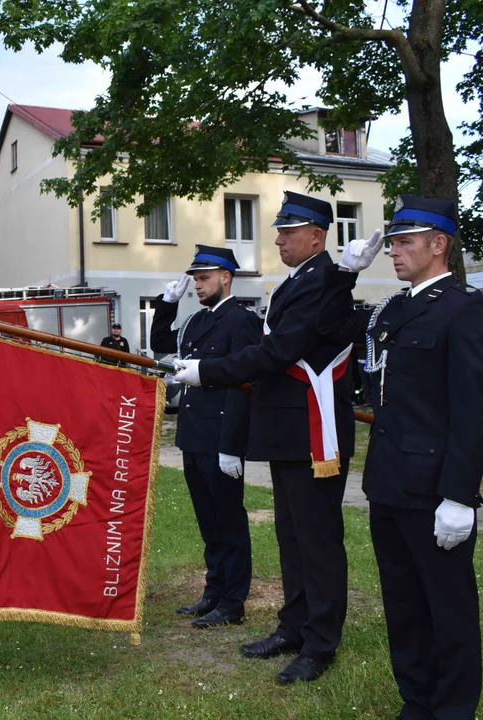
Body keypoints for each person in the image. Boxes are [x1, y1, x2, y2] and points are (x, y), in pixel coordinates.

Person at [173, 192, 369, 684]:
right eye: (279, 230)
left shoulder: (324, 279)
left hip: (312, 427)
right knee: (292, 536)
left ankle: (321, 642)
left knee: (317, 540)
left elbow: (278, 351)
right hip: (288, 428)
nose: (278, 238)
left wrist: (206, 371)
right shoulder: (299, 281)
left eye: (288, 231)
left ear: (317, 237)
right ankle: (295, 626)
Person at [320, 195, 483, 719]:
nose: (393, 252)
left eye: (405, 242)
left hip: (434, 487)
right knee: (402, 603)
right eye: (392, 242)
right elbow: (330, 329)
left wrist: (459, 495)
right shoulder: (394, 308)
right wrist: (342, 275)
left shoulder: (464, 308)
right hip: (388, 481)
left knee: (448, 607)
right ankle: (416, 701)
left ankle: (453, 709)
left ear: (439, 245)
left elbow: (475, 410)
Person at [151, 245, 260, 628]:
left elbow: (242, 384)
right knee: (208, 521)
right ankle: (214, 591)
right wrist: (166, 305)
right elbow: (163, 348)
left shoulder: (241, 321)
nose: (197, 285)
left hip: (220, 438)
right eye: (195, 279)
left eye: (204, 278)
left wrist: (232, 446)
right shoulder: (197, 321)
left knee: (229, 520)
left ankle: (233, 602)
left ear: (226, 277)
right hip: (193, 435)